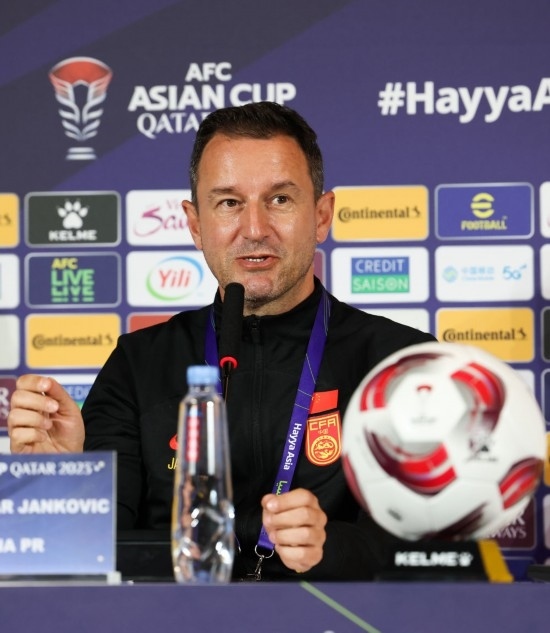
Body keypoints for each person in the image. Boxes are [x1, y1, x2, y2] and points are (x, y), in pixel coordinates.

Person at [8, 101, 435, 581]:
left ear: (321, 216)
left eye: (279, 199)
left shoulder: (403, 362)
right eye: (229, 203)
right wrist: (65, 482)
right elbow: (102, 557)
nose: (255, 230)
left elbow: (430, 545)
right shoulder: (138, 363)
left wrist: (330, 546)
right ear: (195, 224)